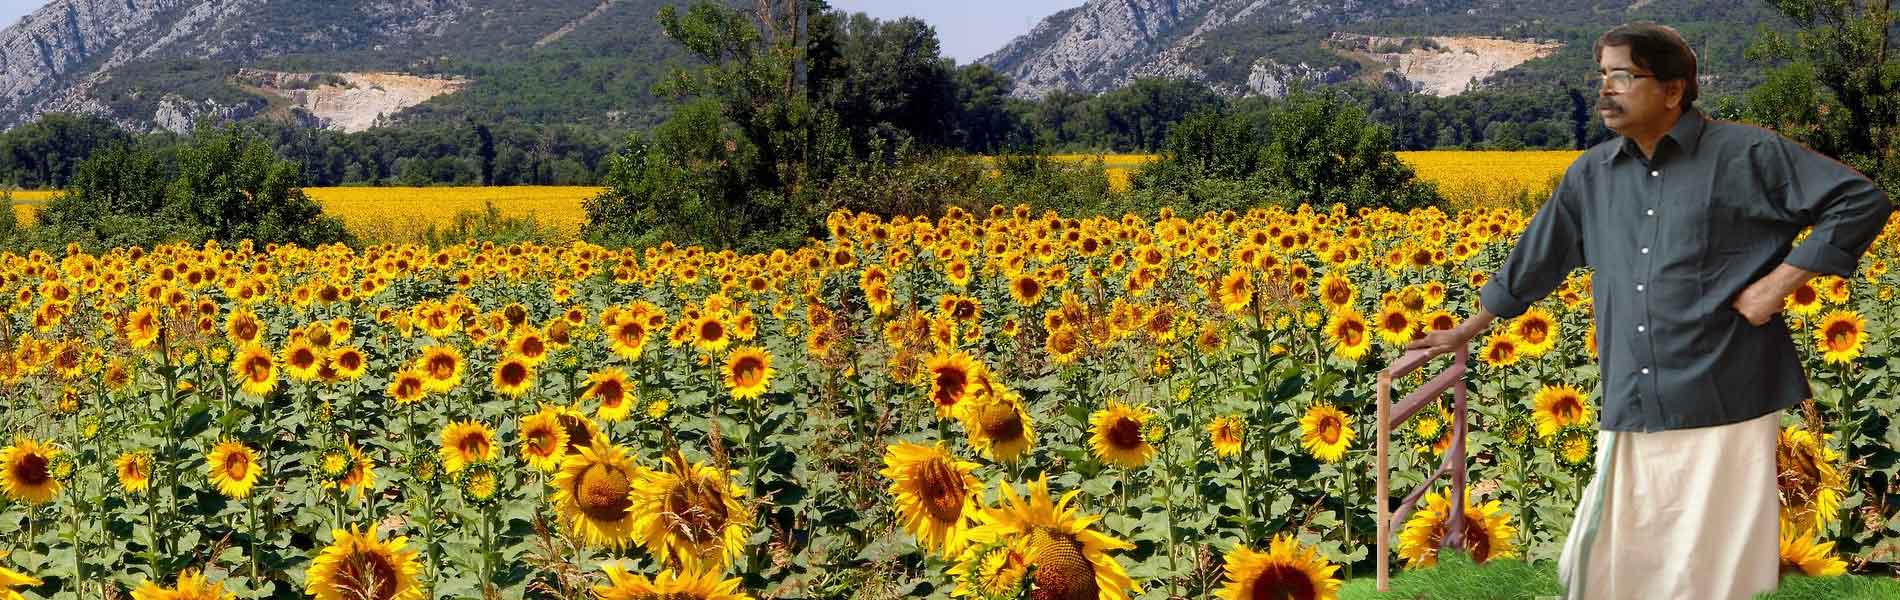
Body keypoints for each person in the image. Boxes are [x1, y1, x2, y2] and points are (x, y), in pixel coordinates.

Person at [1404, 21, 1892, 600]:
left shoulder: (1747, 154)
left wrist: (1776, 286)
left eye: (1623, 75)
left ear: (1672, 90)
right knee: (1605, 559)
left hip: (1727, 388)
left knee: (1714, 562)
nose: (1606, 89)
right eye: (1602, 75)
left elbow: (1860, 200)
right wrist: (1466, 327)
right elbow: (1537, 259)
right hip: (1634, 391)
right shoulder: (1592, 174)